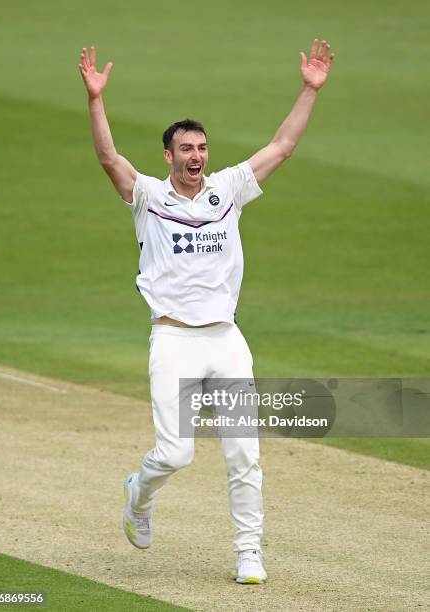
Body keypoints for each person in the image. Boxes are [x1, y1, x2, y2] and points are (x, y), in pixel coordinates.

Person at [79, 39, 335, 584]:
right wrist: (96, 100)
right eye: (186, 149)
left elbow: (282, 145)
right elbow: (108, 158)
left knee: (244, 454)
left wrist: (309, 90)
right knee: (175, 455)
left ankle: (248, 552)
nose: (196, 157)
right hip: (172, 340)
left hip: (225, 339)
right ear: (168, 155)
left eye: (201, 148)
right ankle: (139, 496)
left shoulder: (228, 190)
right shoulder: (148, 197)